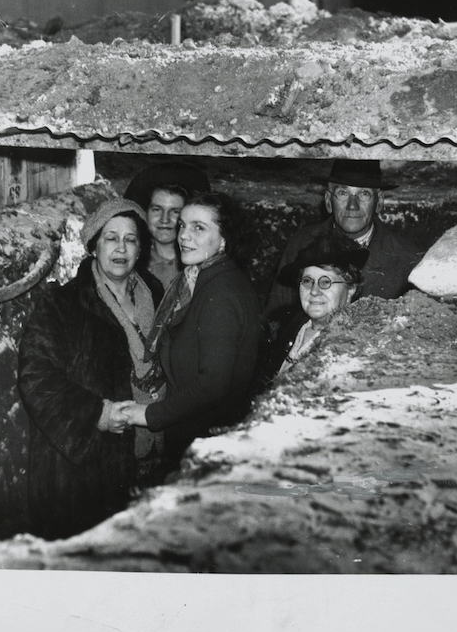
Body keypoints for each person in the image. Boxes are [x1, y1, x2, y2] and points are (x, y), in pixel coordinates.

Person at [16, 198, 166, 540]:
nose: (120, 248)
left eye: (130, 239)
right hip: (85, 467)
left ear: (141, 248)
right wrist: (98, 412)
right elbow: (36, 378)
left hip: (149, 452)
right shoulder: (62, 305)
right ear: (94, 246)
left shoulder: (155, 295)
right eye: (111, 237)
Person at [114, 193, 261, 460]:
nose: (183, 236)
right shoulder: (200, 281)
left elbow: (212, 385)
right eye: (183, 225)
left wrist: (148, 414)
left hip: (206, 444)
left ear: (224, 239)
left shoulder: (221, 294)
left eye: (198, 228)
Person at [264, 159, 423, 320]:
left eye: (364, 193)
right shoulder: (301, 244)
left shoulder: (407, 258)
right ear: (328, 201)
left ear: (379, 202)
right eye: (343, 193)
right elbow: (275, 318)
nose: (352, 205)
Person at [252, 241, 368, 393]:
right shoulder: (287, 327)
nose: (314, 291)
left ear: (351, 288)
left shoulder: (353, 345)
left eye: (325, 282)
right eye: (307, 281)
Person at [123, 161, 211, 290]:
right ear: (146, 213)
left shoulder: (201, 263)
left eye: (175, 211)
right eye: (157, 209)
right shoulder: (130, 260)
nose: (165, 219)